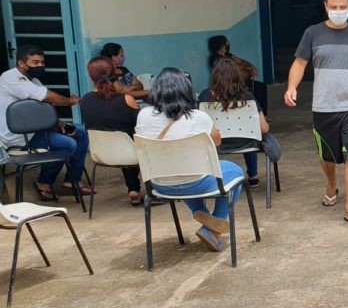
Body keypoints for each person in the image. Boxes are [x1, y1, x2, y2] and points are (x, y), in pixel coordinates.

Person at [284, 0, 348, 226]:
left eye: (342, 7)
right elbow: (300, 63)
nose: (338, 11)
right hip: (324, 106)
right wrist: (291, 87)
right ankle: (332, 184)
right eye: (333, 7)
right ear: (325, 6)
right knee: (327, 157)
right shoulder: (312, 33)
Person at [135, 68, 243, 253]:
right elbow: (217, 141)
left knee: (178, 172)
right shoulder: (198, 117)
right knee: (236, 172)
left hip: (159, 184)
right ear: (186, 90)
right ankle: (214, 227)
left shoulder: (143, 115)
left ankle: (198, 210)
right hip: (196, 183)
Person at [0, 44, 90, 202]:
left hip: (37, 129)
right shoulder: (10, 78)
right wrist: (70, 101)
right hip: (19, 136)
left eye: (42, 62)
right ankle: (44, 183)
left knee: (80, 131)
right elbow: (46, 97)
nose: (40, 65)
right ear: (21, 63)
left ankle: (72, 179)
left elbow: (44, 107)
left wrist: (59, 122)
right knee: (67, 144)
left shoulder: (33, 79)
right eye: (35, 62)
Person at [199, 57, 281, 189]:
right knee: (251, 133)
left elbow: (200, 125)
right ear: (238, 76)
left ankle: (214, 177)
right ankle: (253, 176)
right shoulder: (247, 97)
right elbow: (264, 128)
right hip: (245, 142)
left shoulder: (204, 97)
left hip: (216, 143)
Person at [80, 56, 142, 205]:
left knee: (122, 137)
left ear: (91, 77)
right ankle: (139, 189)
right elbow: (141, 126)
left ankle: (134, 188)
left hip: (100, 154)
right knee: (136, 139)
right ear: (115, 73)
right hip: (130, 154)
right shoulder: (127, 99)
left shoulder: (85, 100)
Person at [207, 35, 267, 115]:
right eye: (226, 42)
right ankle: (256, 114)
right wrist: (242, 68)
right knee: (248, 93)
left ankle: (263, 114)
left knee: (261, 87)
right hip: (230, 83)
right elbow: (233, 71)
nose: (228, 43)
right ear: (221, 45)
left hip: (240, 80)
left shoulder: (229, 55)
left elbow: (242, 62)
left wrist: (250, 67)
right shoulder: (215, 59)